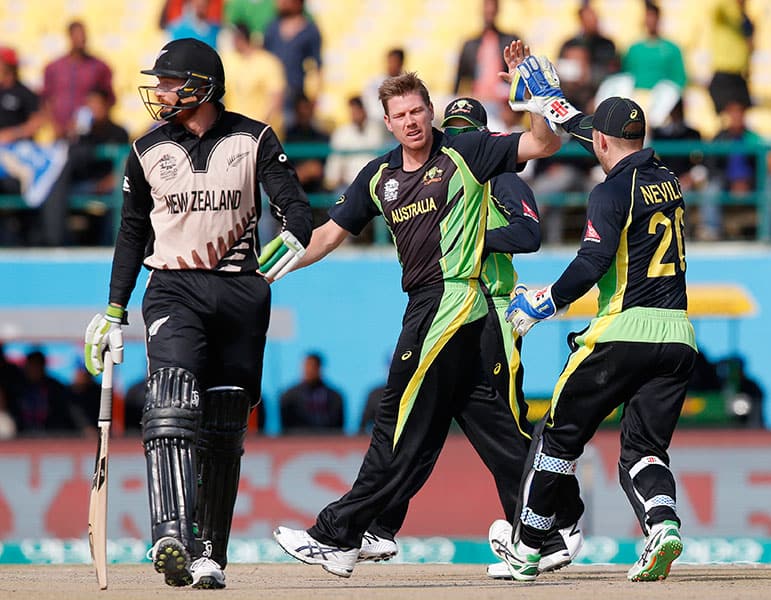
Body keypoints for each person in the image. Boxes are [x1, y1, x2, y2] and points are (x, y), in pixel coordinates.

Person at [272, 40, 562, 579]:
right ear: (387, 121)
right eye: (400, 115)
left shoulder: (465, 151)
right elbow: (328, 235)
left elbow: (543, 144)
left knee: (395, 422)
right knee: (486, 429)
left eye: (418, 111)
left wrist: (537, 96)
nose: (411, 122)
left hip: (448, 301)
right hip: (448, 310)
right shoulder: (378, 175)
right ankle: (549, 526)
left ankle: (336, 536)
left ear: (431, 111)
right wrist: (269, 271)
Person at [82, 37, 312, 589]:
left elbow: (296, 208)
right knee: (168, 395)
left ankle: (208, 551)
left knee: (225, 421)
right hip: (172, 288)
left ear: (200, 87)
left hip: (240, 291)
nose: (158, 92)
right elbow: (132, 231)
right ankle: (170, 533)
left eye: (168, 82)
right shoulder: (145, 151)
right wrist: (114, 309)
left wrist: (294, 239)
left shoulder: (255, 138)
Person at [487, 57, 697, 583]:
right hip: (679, 339)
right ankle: (662, 525)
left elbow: (591, 263)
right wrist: (551, 102)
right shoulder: (666, 180)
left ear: (602, 144)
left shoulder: (607, 192)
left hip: (621, 334)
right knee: (644, 450)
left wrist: (542, 304)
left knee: (556, 439)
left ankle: (529, 547)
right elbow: (601, 137)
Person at [359, 96, 584, 579]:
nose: (458, 135)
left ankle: (555, 525)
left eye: (467, 128)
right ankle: (380, 526)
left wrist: (461, 240)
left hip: (494, 310)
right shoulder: (443, 176)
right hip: (456, 310)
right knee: (429, 418)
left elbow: (528, 233)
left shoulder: (497, 174)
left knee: (505, 424)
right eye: (454, 127)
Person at [42, 21, 115, 140]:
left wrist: (93, 121)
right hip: (59, 132)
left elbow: (108, 99)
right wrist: (55, 125)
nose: (81, 39)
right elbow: (46, 100)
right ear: (70, 37)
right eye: (77, 36)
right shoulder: (54, 67)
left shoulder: (99, 67)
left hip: (89, 134)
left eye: (83, 36)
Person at [263, 0, 322, 128]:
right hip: (272, 97)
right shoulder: (271, 28)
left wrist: (312, 99)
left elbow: (317, 66)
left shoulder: (310, 30)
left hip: (298, 98)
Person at [221, 22, 286, 137]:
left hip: (263, 132)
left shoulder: (268, 62)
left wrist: (261, 127)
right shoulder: (228, 60)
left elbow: (276, 97)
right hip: (235, 131)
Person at [454, 0, 518, 113]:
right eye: (487, 6)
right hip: (477, 101)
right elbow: (459, 79)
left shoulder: (510, 40)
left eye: (492, 7)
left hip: (503, 104)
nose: (489, 10)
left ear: (497, 10)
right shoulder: (470, 45)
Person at [324, 96, 386, 195]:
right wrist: (333, 180)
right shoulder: (342, 134)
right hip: (350, 185)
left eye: (358, 109)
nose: (355, 113)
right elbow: (334, 166)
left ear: (364, 110)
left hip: (377, 182)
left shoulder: (378, 129)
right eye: (353, 110)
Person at [621, 1, 687, 92]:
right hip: (637, 97)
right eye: (648, 16)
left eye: (653, 16)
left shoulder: (672, 49)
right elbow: (626, 75)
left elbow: (679, 79)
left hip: (663, 98)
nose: (650, 20)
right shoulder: (634, 49)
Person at [280, 352, 344, 433]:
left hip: (326, 440)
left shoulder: (335, 397)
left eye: (312, 367)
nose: (308, 370)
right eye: (306, 366)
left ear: (319, 368)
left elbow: (338, 428)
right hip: (298, 441)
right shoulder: (289, 396)